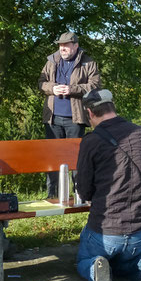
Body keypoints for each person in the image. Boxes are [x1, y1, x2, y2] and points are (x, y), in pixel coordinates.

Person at [75, 89, 141, 281]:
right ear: (113, 107)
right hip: (140, 233)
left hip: (105, 232)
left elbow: (84, 190)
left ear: (90, 113)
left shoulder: (91, 141)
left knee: (84, 260)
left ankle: (96, 270)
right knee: (124, 263)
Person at [38, 31, 100, 198]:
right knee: (53, 157)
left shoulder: (88, 63)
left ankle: (80, 194)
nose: (62, 48)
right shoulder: (51, 61)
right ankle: (52, 195)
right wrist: (52, 88)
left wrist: (72, 89)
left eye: (66, 45)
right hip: (52, 118)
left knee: (76, 159)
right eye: (60, 45)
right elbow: (41, 83)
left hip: (76, 118)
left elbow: (94, 86)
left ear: (75, 46)